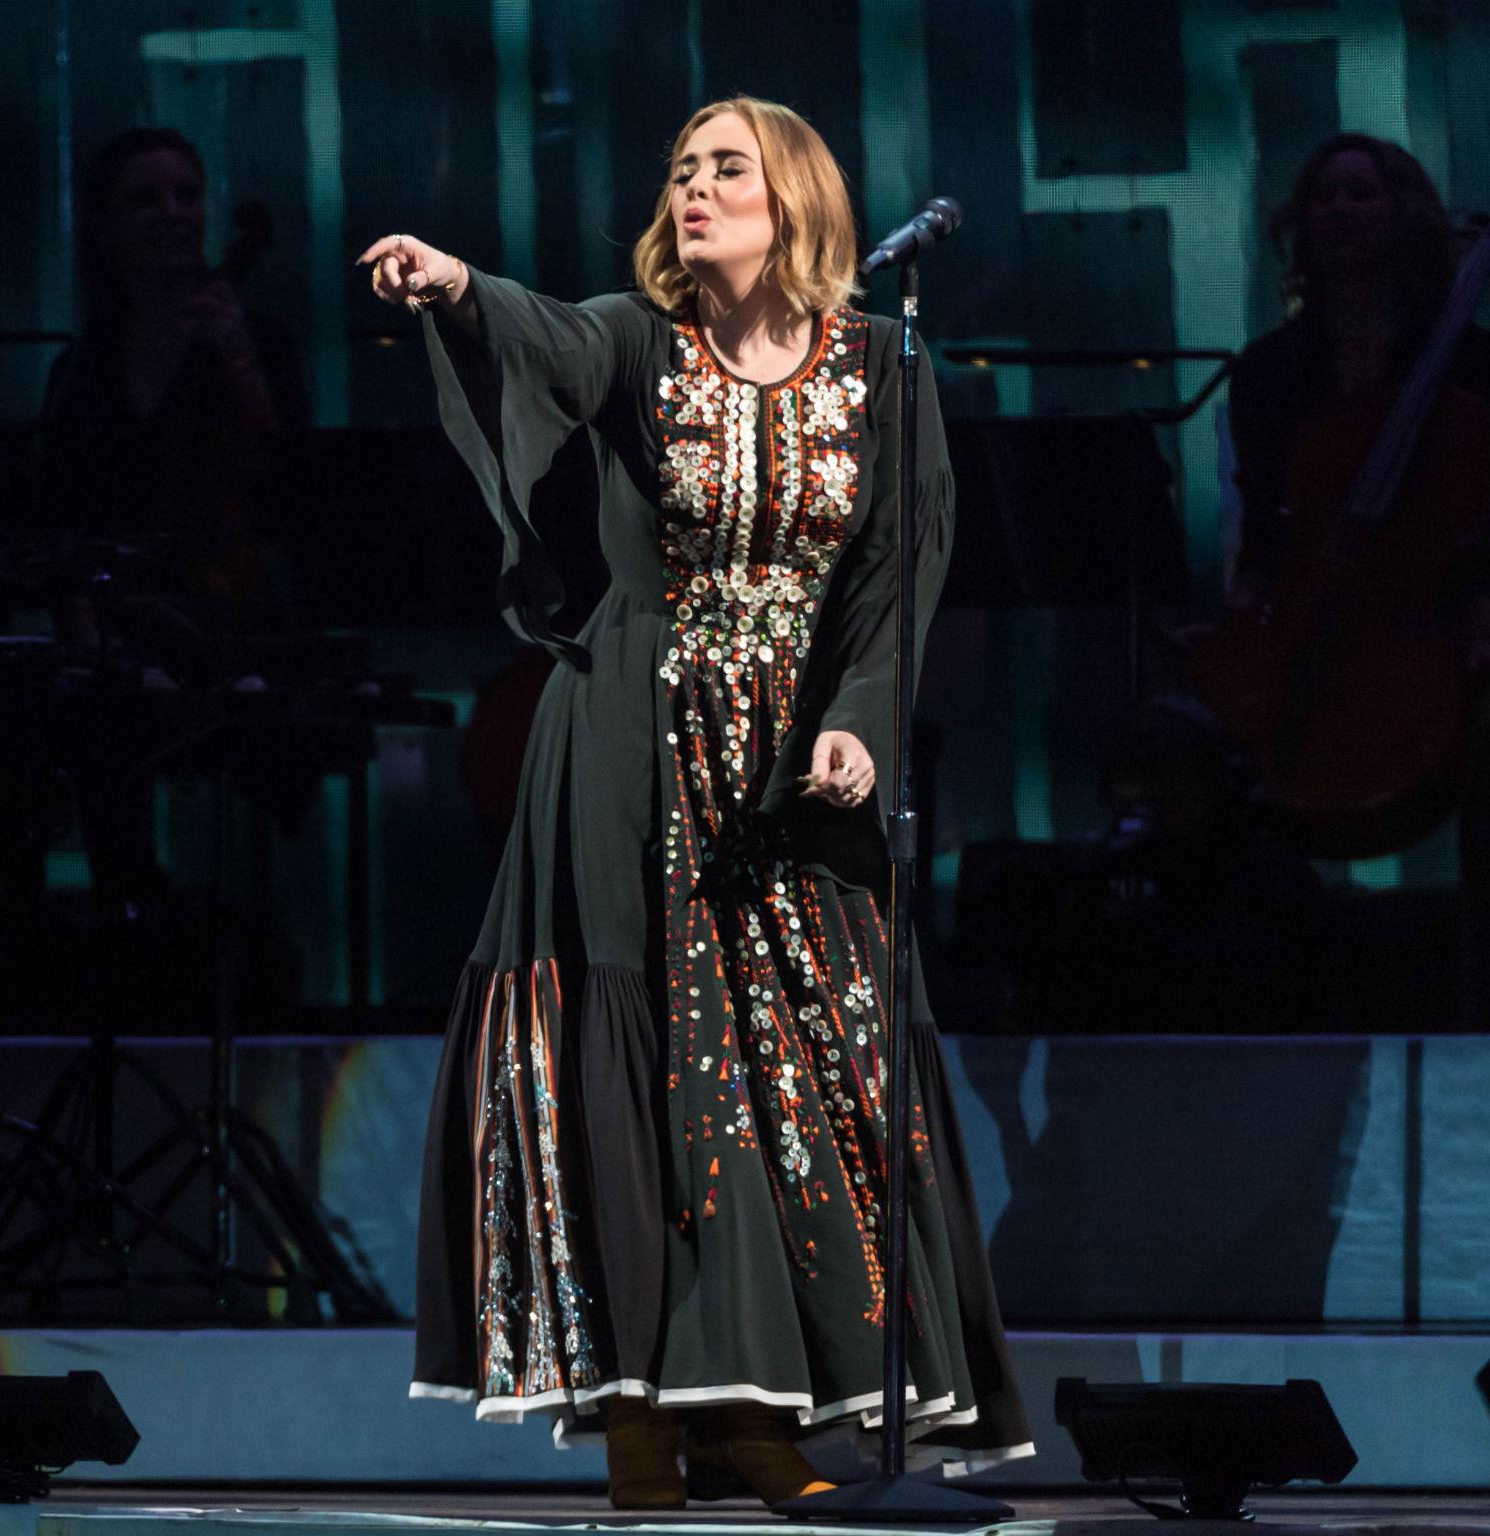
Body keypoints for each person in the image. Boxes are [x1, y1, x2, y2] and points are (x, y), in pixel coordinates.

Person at [364, 97, 1032, 1509]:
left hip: (789, 772)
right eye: (680, 168)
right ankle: (638, 1408)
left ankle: (750, 1407)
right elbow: (534, 335)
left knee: (784, 1072)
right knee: (646, 1058)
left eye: (728, 165)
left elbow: (898, 578)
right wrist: (457, 286)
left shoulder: (884, 365)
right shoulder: (636, 340)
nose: (697, 187)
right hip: (625, 744)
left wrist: (855, 730)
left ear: (796, 195)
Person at [1224, 133, 1490, 1025]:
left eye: (1362, 195)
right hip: (1309, 618)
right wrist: (1257, 587)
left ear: (1403, 216)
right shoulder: (1269, 372)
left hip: (1441, 627)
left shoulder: (1470, 364)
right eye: (1325, 196)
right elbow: (1266, 520)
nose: (1339, 211)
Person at [43, 127, 305, 640]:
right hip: (115, 620)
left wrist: (238, 358)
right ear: (104, 223)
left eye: (188, 195)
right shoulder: (81, 365)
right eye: (146, 199)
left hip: (236, 618)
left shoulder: (260, 344)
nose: (174, 213)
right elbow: (62, 510)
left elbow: (288, 478)